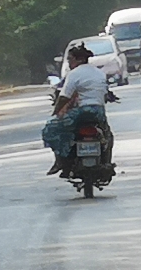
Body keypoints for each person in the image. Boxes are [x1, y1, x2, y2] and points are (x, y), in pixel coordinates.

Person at [44, 43, 113, 174]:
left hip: (81, 113)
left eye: (70, 59)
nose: (69, 62)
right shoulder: (99, 73)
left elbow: (64, 97)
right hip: (98, 113)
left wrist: (56, 111)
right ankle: (107, 162)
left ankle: (60, 160)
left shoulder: (74, 74)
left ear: (79, 59)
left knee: (50, 129)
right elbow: (104, 94)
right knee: (108, 136)